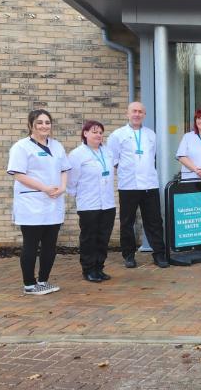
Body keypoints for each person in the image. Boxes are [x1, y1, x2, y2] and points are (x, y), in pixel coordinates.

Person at [7, 109, 70, 295]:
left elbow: (64, 169)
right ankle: (29, 284)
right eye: (39, 122)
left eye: (47, 122)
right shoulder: (21, 147)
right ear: (31, 125)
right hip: (31, 203)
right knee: (31, 244)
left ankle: (43, 281)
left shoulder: (57, 146)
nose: (44, 126)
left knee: (50, 245)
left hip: (54, 202)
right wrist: (44, 188)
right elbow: (18, 174)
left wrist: (63, 187)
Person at [106, 102, 169, 268]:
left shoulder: (150, 134)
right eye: (134, 111)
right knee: (127, 222)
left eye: (140, 111)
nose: (137, 114)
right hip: (128, 186)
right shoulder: (117, 135)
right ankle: (129, 255)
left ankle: (159, 254)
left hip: (149, 184)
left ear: (144, 115)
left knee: (154, 221)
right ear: (127, 114)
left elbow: (152, 157)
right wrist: (127, 171)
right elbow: (113, 159)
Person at [67, 120, 116, 283]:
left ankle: (99, 268)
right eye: (94, 131)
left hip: (107, 203)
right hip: (89, 203)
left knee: (103, 237)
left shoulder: (108, 152)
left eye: (101, 132)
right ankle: (88, 269)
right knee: (89, 238)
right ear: (85, 133)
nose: (98, 135)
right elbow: (71, 180)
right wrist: (76, 196)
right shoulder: (77, 154)